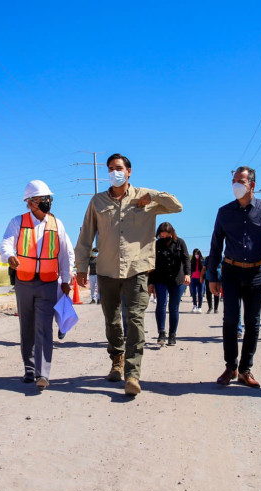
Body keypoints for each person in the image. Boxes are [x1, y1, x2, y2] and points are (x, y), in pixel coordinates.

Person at [75, 153, 182, 397]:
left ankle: (133, 374)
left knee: (135, 319)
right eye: (111, 168)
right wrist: (81, 267)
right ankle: (117, 360)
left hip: (137, 269)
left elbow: (177, 206)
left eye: (119, 168)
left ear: (129, 171)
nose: (115, 172)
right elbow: (86, 235)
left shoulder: (144, 197)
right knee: (112, 321)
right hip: (107, 270)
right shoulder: (98, 201)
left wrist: (153, 196)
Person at [207, 166, 261, 389]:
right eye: (234, 180)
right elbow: (216, 245)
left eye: (240, 181)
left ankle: (245, 370)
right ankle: (230, 367)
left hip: (256, 272)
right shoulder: (224, 212)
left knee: (253, 322)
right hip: (231, 271)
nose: (236, 185)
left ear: (252, 184)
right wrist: (212, 276)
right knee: (230, 320)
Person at [0, 180, 73, 390]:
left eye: (48, 198)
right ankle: (29, 368)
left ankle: (43, 374)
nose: (47, 202)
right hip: (24, 282)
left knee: (44, 327)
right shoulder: (17, 222)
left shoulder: (57, 224)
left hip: (48, 283)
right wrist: (9, 256)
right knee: (27, 327)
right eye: (42, 199)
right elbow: (6, 243)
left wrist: (66, 280)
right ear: (30, 202)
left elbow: (65, 253)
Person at [148, 223, 191, 346]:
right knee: (161, 305)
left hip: (177, 281)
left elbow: (186, 259)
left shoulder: (180, 243)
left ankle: (172, 334)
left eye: (166, 235)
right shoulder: (156, 245)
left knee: (173, 307)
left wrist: (187, 274)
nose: (163, 237)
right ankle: (161, 333)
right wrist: (151, 283)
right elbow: (152, 264)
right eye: (161, 236)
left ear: (171, 233)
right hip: (161, 280)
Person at [189, 248, 205, 314]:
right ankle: (194, 306)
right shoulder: (192, 261)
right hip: (193, 279)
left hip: (200, 279)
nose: (196, 255)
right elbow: (189, 270)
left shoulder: (202, 261)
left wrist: (203, 277)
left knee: (200, 293)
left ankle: (200, 307)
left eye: (197, 254)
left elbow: (204, 270)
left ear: (199, 254)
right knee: (193, 293)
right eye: (195, 254)